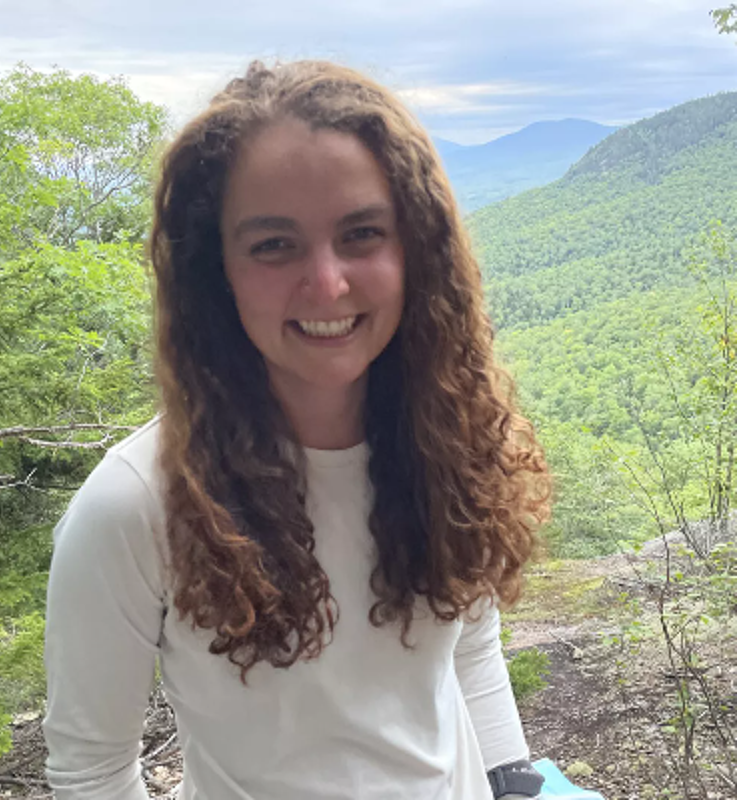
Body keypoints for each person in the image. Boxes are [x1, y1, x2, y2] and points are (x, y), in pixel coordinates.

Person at [42, 60, 551, 800]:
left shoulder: (446, 444)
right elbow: (90, 771)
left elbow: (465, 638)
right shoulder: (134, 505)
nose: (327, 284)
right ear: (217, 270)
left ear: (416, 252)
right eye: (274, 245)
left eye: (362, 234)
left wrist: (511, 776)